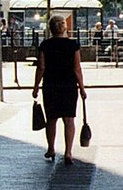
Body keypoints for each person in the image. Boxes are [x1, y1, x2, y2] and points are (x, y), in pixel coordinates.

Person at [32, 15, 87, 165]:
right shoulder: (73, 45)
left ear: (50, 28)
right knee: (69, 119)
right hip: (69, 85)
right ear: (64, 27)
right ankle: (68, 152)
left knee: (52, 118)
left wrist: (36, 86)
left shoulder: (45, 45)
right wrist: (82, 88)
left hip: (51, 85)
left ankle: (51, 148)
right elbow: (77, 68)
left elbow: (41, 67)